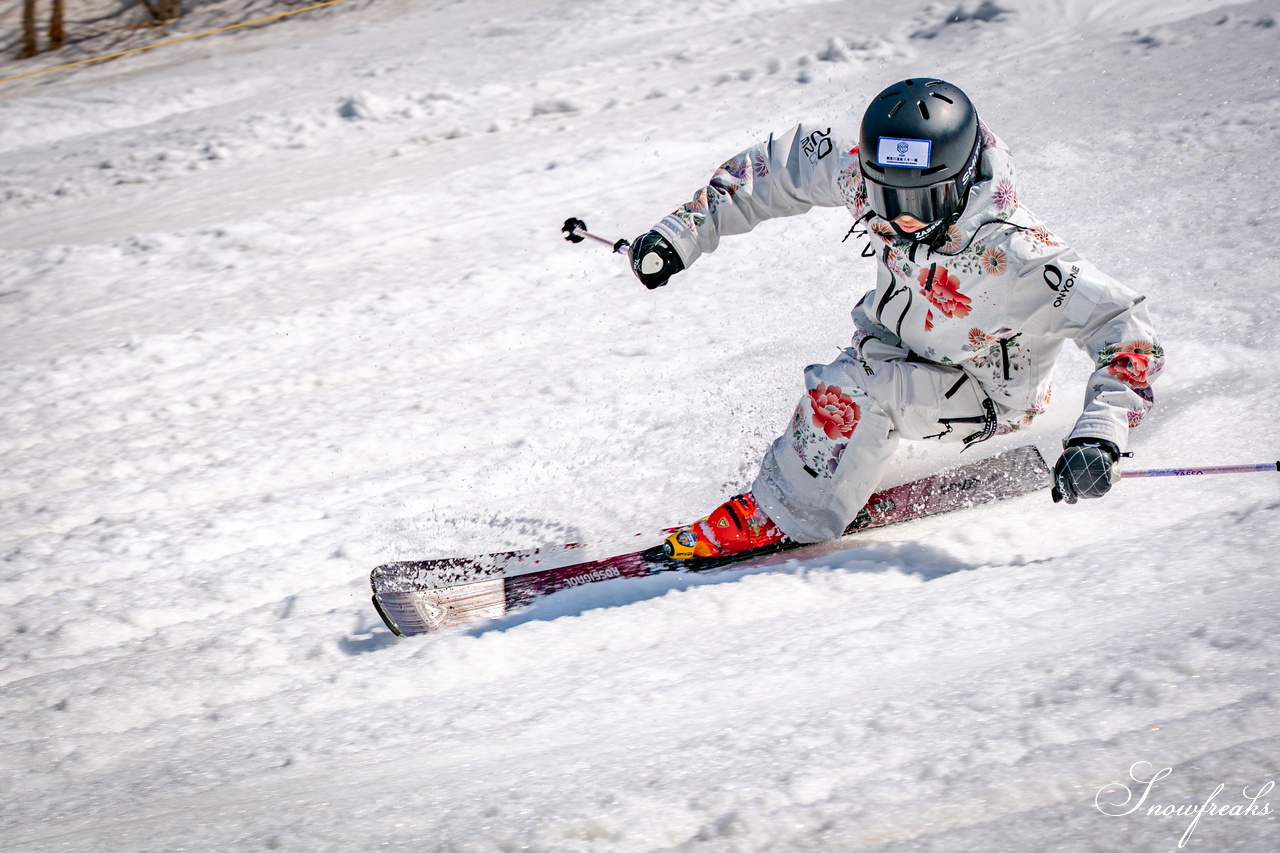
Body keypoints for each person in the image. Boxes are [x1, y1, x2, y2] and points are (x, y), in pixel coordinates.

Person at [627, 78, 1164, 561]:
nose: (902, 216)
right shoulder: (874, 177)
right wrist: (685, 230)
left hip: (986, 390)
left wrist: (1100, 434)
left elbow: (1123, 326)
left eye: (923, 199)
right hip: (899, 346)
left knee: (853, 389)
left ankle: (788, 513)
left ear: (958, 183)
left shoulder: (1018, 255)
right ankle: (832, 474)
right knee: (850, 377)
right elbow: (781, 168)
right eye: (888, 195)